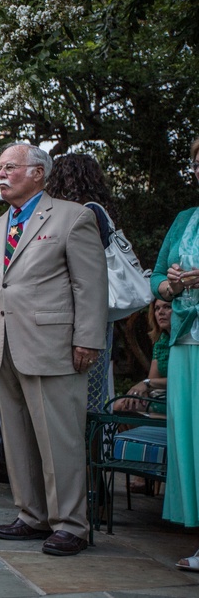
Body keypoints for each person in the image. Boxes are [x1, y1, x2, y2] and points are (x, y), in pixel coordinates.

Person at [0, 142, 107, 557]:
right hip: (3, 347)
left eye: (10, 167)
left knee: (59, 439)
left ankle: (71, 524)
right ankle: (31, 515)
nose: (1, 173)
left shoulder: (73, 217)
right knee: (17, 438)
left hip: (53, 346)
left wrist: (87, 338)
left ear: (37, 173)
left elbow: (90, 285)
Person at [150, 136, 199, 573]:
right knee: (192, 442)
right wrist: (174, 286)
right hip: (186, 342)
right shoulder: (186, 219)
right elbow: (158, 280)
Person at [44, 153, 117, 412]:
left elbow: (86, 276)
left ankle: (87, 451)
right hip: (89, 315)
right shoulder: (95, 208)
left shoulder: (85, 213)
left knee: (87, 397)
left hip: (83, 317)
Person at [114, 298, 170, 415]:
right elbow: (152, 380)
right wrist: (140, 393)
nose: (160, 312)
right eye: (157, 308)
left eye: (167, 307)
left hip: (184, 399)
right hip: (162, 396)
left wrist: (146, 383)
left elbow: (185, 380)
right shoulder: (161, 342)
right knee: (122, 404)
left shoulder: (187, 341)